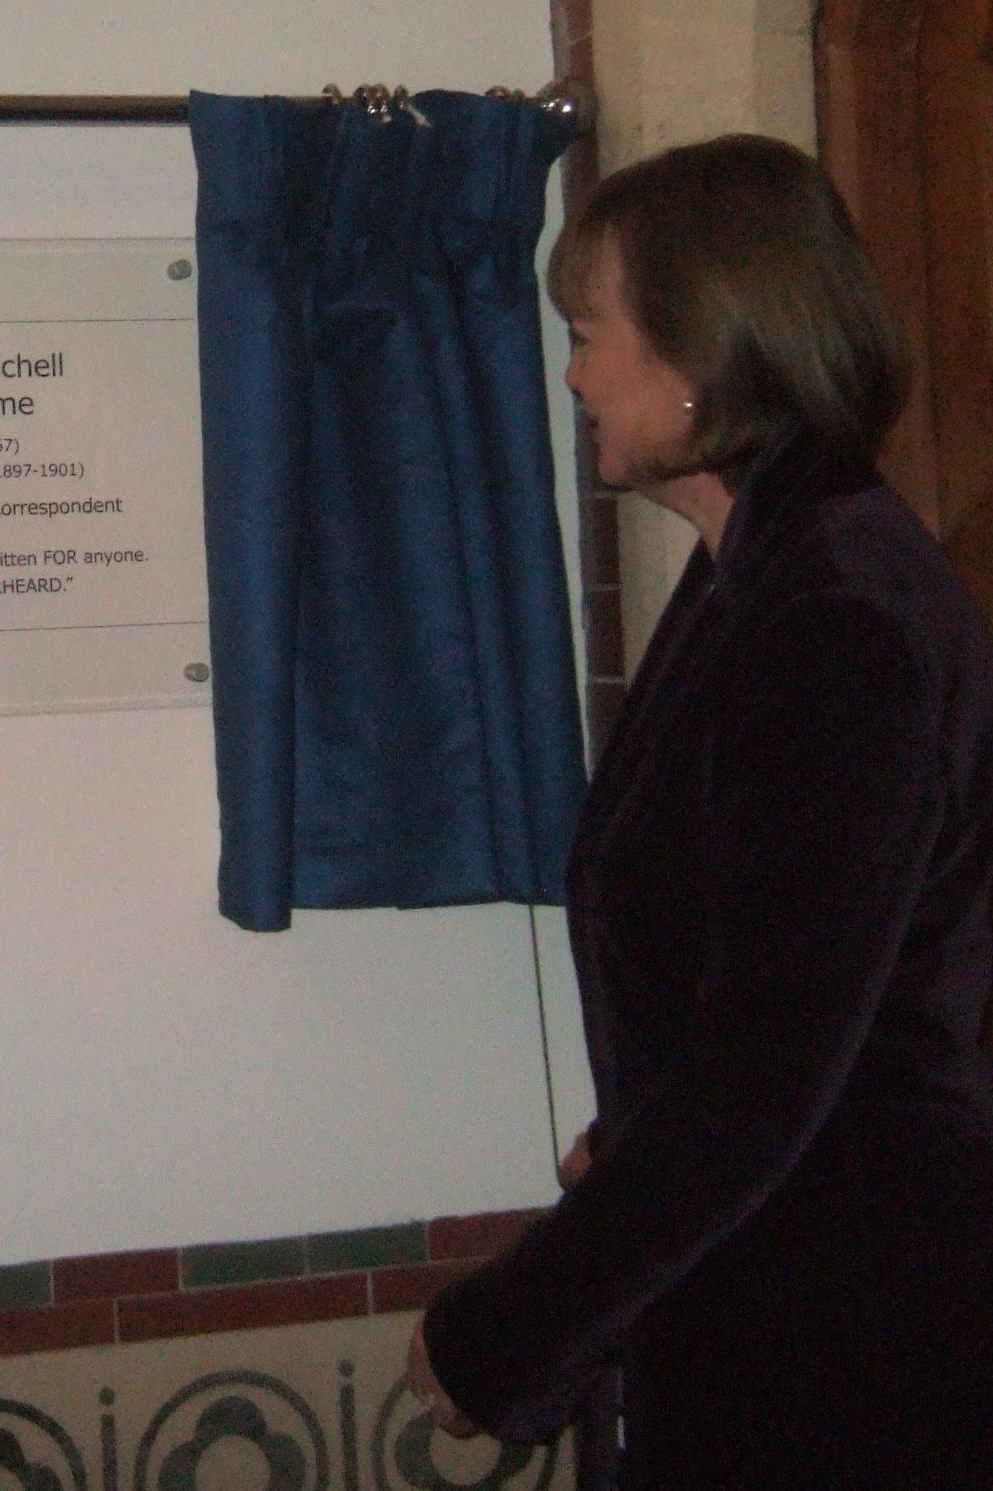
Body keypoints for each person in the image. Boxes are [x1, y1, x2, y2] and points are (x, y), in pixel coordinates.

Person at [403, 133, 993, 1489]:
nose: (571, 375)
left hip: (853, 1348)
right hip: (784, 1302)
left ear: (698, 353)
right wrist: (631, 1139)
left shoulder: (837, 612)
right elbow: (765, 989)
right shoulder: (765, 573)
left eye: (587, 333)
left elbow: (767, 1077)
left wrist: (505, 1331)